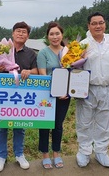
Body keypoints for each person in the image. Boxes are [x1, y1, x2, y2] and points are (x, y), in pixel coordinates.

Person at [75, 12, 109, 168]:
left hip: (106, 88)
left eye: (100, 23)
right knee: (84, 121)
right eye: (94, 23)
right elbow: (75, 64)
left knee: (104, 121)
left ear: (105, 24)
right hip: (87, 88)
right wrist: (76, 58)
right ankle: (84, 151)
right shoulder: (83, 43)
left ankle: (101, 151)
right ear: (89, 26)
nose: (98, 26)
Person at [0, 21, 38, 172]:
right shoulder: (3, 49)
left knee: (19, 125)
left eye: (24, 32)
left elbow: (37, 70)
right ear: (13, 33)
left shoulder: (31, 53)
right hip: (3, 95)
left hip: (21, 96)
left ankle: (19, 154)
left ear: (28, 36)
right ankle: (1, 156)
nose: (21, 34)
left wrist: (29, 72)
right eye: (18, 31)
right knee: (1, 126)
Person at [37, 22, 71, 169]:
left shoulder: (69, 51)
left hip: (64, 96)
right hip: (47, 95)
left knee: (58, 125)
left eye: (57, 33)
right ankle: (45, 154)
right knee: (45, 125)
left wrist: (67, 91)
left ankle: (56, 153)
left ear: (61, 35)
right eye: (52, 34)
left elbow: (73, 74)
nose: (55, 36)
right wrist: (55, 92)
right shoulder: (43, 53)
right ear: (47, 36)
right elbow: (43, 76)